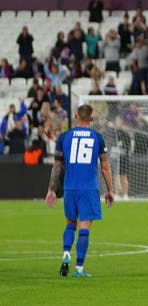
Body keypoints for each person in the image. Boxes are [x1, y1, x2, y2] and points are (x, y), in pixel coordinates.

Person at [45, 104, 114, 278]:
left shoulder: (64, 137)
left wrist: (51, 190)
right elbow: (105, 167)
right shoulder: (98, 138)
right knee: (84, 228)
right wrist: (110, 190)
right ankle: (79, 268)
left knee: (70, 224)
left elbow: (58, 166)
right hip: (89, 188)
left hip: (70, 188)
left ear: (76, 116)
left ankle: (66, 253)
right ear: (91, 118)